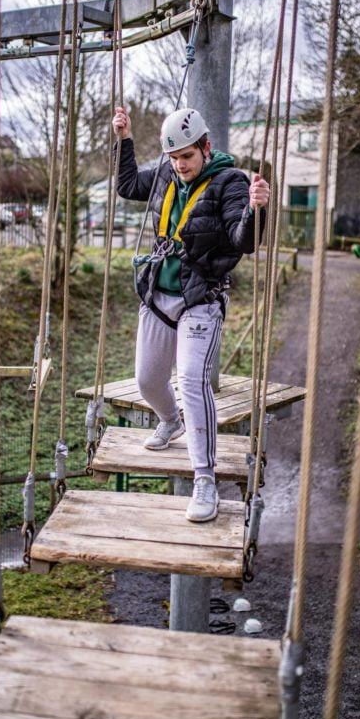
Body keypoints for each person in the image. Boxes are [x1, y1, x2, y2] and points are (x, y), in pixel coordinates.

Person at [112, 105, 270, 523]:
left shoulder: (228, 182)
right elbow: (127, 185)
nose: (180, 165)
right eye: (174, 157)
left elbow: (243, 240)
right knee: (147, 380)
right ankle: (170, 420)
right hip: (159, 292)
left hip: (201, 296)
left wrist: (257, 209)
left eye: (187, 156)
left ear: (205, 147)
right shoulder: (166, 175)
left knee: (191, 380)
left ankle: (204, 478)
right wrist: (125, 140)